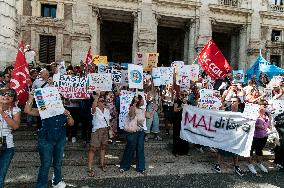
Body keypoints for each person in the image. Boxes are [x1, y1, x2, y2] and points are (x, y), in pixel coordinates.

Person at [24, 90, 74, 188]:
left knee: (58, 162)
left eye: (59, 99)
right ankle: (41, 185)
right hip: (45, 139)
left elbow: (71, 123)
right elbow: (27, 111)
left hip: (60, 138)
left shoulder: (64, 110)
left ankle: (57, 181)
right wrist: (30, 98)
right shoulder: (43, 109)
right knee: (46, 163)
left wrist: (68, 115)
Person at [214, 96, 244, 176]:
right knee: (221, 148)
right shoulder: (226, 109)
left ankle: (236, 166)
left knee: (235, 150)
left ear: (238, 102)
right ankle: (217, 164)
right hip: (225, 133)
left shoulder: (241, 112)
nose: (232, 103)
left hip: (236, 134)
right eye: (231, 101)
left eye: (234, 101)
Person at [119, 95, 146, 175]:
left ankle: (141, 167)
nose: (143, 101)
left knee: (140, 149)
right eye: (142, 100)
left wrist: (154, 107)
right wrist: (134, 103)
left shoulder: (142, 109)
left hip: (140, 131)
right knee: (130, 148)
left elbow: (148, 116)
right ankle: (124, 166)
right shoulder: (132, 108)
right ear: (138, 101)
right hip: (132, 132)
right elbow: (131, 115)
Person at [0, 88, 21, 187]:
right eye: (3, 94)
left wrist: (2, 113)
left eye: (10, 95)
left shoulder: (15, 110)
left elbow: (15, 126)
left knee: (1, 176)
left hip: (7, 145)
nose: (6, 96)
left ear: (13, 99)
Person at [87, 91, 111, 176]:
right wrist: (97, 96)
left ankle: (102, 164)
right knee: (93, 149)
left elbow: (108, 121)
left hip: (105, 130)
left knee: (103, 147)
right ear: (98, 103)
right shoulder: (95, 109)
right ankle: (89, 168)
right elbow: (93, 107)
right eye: (102, 101)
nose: (104, 102)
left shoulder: (107, 111)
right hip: (97, 131)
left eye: (104, 101)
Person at [247, 100, 270, 174]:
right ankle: (250, 164)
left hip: (264, 136)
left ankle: (259, 163)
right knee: (251, 150)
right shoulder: (254, 114)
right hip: (254, 136)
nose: (265, 106)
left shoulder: (267, 114)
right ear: (259, 106)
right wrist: (257, 126)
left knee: (259, 150)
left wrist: (269, 128)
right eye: (263, 105)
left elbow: (268, 124)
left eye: (266, 105)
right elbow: (249, 123)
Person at [172, 90, 189, 156]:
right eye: (182, 94)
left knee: (185, 135)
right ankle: (176, 151)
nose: (184, 96)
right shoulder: (177, 101)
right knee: (177, 136)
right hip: (177, 120)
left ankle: (184, 151)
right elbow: (175, 109)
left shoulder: (188, 102)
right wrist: (181, 106)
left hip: (185, 121)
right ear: (180, 95)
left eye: (185, 95)